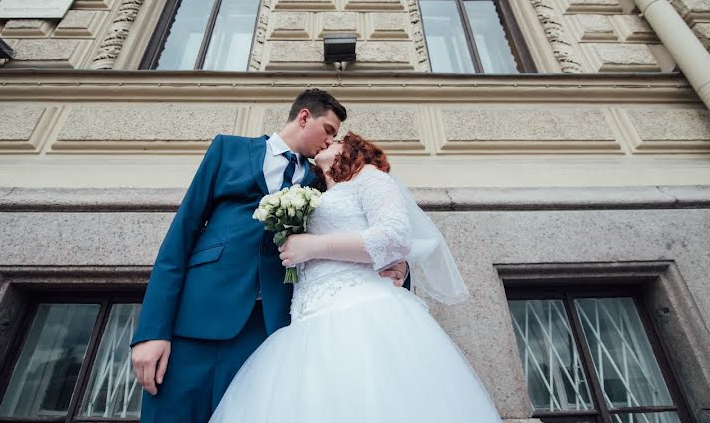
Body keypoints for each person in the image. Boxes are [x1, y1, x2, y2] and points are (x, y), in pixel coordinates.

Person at [130, 90, 408, 422]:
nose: (331, 140)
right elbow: (180, 237)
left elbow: (365, 223)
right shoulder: (227, 150)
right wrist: (151, 331)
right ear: (304, 117)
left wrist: (400, 265)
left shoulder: (323, 181)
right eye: (329, 130)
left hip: (268, 333)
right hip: (198, 320)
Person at [209, 132, 503, 423]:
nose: (327, 141)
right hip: (305, 322)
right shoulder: (315, 195)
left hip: (360, 311)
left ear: (352, 152)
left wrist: (312, 246)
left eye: (336, 140)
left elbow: (395, 236)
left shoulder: (369, 177)